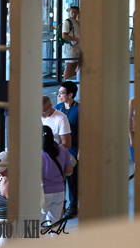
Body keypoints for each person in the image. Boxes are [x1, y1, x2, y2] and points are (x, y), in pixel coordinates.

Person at [41, 125, 74, 227]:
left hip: (42, 193)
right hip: (59, 191)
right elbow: (69, 170)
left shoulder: (36, 153)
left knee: (38, 224)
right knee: (55, 223)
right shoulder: (63, 150)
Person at [55, 81, 79, 219]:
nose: (59, 95)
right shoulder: (58, 108)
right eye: (58, 92)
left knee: (73, 179)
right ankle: (61, 204)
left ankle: (73, 205)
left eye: (61, 93)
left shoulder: (79, 109)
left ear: (70, 95)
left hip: (74, 149)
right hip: (60, 148)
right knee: (59, 178)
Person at [61, 5, 81, 81]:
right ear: (69, 12)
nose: (74, 13)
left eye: (75, 12)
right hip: (70, 46)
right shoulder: (67, 22)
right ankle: (66, 86)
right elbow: (64, 35)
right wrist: (76, 39)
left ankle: (70, 84)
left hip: (76, 46)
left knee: (74, 66)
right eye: (72, 12)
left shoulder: (76, 22)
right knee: (69, 66)